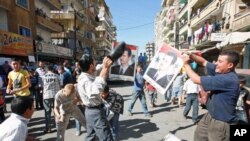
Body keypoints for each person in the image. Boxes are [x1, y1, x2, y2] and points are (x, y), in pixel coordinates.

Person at [182, 50, 240, 141]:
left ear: (230, 65)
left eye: (220, 61)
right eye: (217, 60)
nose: (216, 63)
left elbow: (196, 80)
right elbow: (204, 62)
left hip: (221, 122)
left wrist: (185, 64)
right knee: (199, 137)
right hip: (210, 115)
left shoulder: (229, 79)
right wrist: (190, 55)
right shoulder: (221, 70)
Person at [77, 54, 114, 141]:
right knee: (106, 138)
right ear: (90, 66)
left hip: (91, 111)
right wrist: (105, 68)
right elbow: (95, 90)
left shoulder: (87, 74)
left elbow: (98, 68)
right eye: (94, 62)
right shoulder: (85, 80)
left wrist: (105, 64)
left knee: (91, 136)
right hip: (95, 112)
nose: (96, 64)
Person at [42, 65, 61, 133]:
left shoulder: (43, 77)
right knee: (56, 111)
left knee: (47, 112)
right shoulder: (57, 76)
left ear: (47, 70)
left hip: (46, 96)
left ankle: (48, 128)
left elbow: (41, 86)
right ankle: (58, 126)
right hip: (56, 95)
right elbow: (61, 85)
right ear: (52, 70)